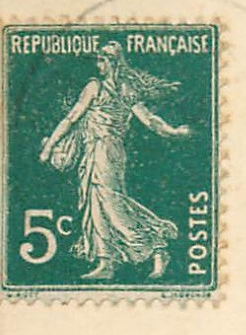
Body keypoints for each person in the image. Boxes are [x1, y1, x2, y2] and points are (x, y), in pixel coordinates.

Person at [38, 42, 192, 280]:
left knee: (110, 202)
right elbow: (71, 118)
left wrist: (172, 132)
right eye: (98, 60)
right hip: (95, 150)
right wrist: (49, 146)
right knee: (96, 203)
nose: (98, 65)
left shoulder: (112, 88)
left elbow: (149, 120)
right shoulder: (102, 86)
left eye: (102, 60)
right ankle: (106, 262)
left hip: (107, 151)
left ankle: (155, 247)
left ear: (112, 62)